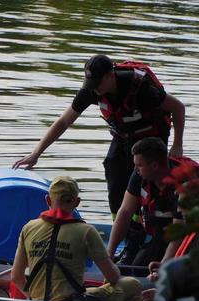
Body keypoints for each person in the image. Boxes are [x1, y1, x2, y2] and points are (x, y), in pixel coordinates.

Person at [13, 55, 185, 262]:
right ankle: (127, 237)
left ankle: (142, 239)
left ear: (110, 75)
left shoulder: (141, 88)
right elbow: (64, 121)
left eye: (98, 83)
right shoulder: (92, 90)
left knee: (140, 187)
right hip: (123, 138)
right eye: (91, 84)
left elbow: (178, 108)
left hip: (150, 140)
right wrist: (36, 153)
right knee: (115, 185)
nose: (95, 89)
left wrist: (177, 145)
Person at [11, 176, 142, 301]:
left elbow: (16, 277)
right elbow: (113, 277)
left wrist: (31, 298)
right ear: (77, 202)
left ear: (48, 200)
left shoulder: (28, 227)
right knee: (133, 285)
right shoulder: (86, 231)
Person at [106, 137, 185, 267]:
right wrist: (109, 252)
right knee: (137, 267)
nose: (135, 169)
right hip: (161, 236)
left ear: (154, 165)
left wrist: (164, 265)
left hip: (188, 239)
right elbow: (125, 212)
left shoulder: (184, 183)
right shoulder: (139, 176)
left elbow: (180, 231)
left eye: (139, 165)